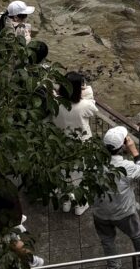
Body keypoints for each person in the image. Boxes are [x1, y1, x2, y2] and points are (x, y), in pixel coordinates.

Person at [91, 126, 140, 269]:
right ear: (122, 146)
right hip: (123, 212)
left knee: (107, 240)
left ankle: (113, 265)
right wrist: (133, 150)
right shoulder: (126, 166)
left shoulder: (94, 162)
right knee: (136, 234)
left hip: (100, 211)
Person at [53, 72, 98, 216]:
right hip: (81, 145)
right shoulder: (83, 105)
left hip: (61, 143)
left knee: (64, 173)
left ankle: (65, 202)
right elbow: (94, 109)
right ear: (79, 88)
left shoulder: (56, 102)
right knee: (81, 175)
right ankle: (80, 205)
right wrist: (88, 92)